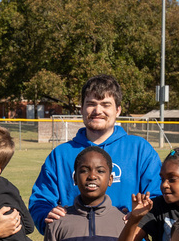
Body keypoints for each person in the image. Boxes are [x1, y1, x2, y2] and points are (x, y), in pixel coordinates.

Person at [28, 74, 161, 232]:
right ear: (82, 108)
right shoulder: (61, 154)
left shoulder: (140, 149)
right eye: (91, 104)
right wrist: (46, 215)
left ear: (118, 110)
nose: (98, 111)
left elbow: (157, 198)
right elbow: (40, 200)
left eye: (105, 104)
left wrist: (138, 221)